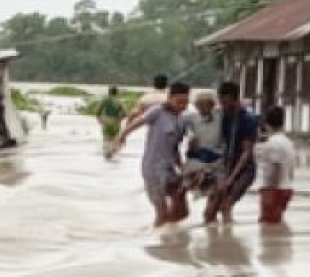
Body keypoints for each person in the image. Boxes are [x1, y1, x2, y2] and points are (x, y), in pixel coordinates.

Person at [115, 82, 191, 227]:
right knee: (161, 211)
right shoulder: (158, 111)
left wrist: (181, 167)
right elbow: (138, 122)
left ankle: (168, 233)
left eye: (186, 102)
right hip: (152, 168)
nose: (182, 105)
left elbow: (175, 147)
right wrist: (121, 136)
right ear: (169, 98)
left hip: (169, 168)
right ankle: (159, 241)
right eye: (179, 101)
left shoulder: (181, 120)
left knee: (182, 209)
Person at [205, 82, 259, 224]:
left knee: (225, 205)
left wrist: (230, 179)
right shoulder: (221, 116)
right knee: (209, 212)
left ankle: (228, 242)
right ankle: (215, 242)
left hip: (243, 170)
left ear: (235, 99)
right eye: (221, 101)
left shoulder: (248, 119)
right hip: (223, 167)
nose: (223, 105)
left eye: (226, 102)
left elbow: (246, 153)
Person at [254, 106, 295, 225]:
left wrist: (270, 192)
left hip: (274, 189)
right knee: (276, 223)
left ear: (266, 124)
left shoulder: (272, 144)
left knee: (266, 225)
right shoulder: (288, 142)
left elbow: (275, 168)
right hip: (286, 187)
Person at [180, 90, 224, 195]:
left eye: (206, 104)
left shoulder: (220, 115)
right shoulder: (190, 117)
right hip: (199, 156)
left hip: (216, 156)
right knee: (185, 184)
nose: (202, 107)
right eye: (199, 104)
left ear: (212, 104)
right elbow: (178, 122)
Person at [95, 86, 127, 157]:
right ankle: (114, 155)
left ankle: (107, 156)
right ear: (117, 93)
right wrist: (118, 119)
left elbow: (97, 112)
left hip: (106, 122)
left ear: (109, 92)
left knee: (107, 141)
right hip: (116, 124)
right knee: (115, 141)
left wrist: (100, 121)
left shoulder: (105, 100)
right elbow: (125, 113)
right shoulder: (119, 101)